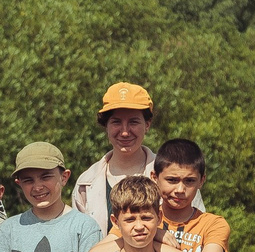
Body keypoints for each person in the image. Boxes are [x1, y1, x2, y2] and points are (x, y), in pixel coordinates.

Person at [72, 83, 199, 226]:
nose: (125, 132)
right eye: (116, 122)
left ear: (147, 124)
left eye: (133, 122)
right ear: (105, 125)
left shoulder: (178, 176)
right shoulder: (86, 183)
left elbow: (197, 232)